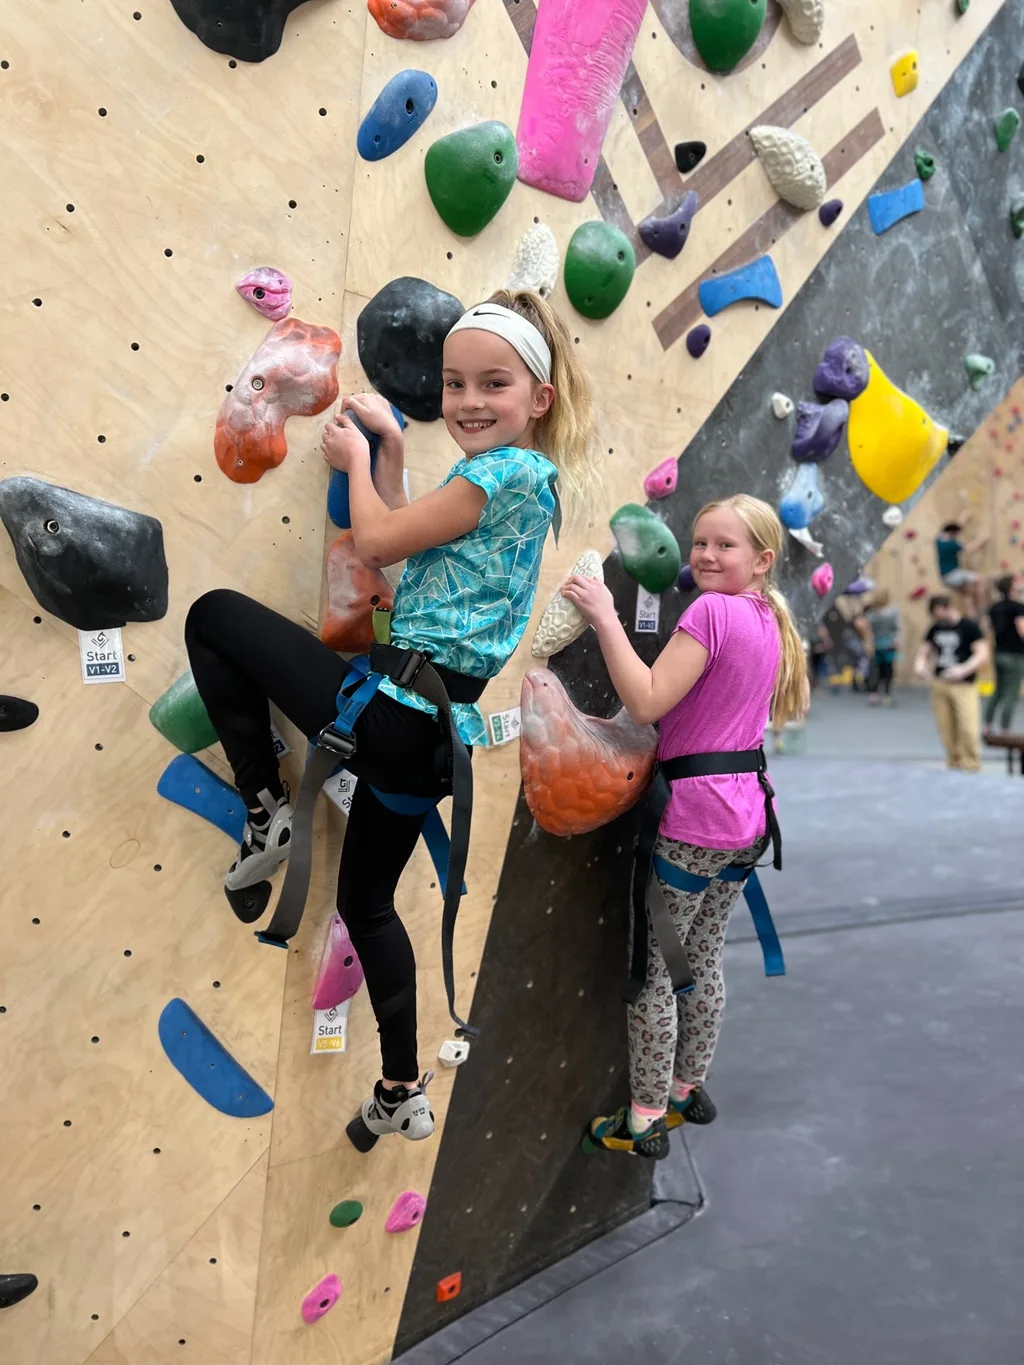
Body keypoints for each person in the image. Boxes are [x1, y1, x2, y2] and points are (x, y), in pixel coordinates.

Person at [185, 290, 596, 1148]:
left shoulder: (496, 472)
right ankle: (401, 1085)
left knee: (213, 616)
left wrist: (351, 465)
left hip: (397, 718)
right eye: (454, 383)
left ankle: (264, 807)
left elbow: (377, 545)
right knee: (367, 904)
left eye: (493, 384)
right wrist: (397, 449)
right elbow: (421, 545)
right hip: (428, 748)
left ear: (539, 400)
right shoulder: (528, 485)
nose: (470, 400)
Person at [562, 495, 808, 1159]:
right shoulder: (768, 617)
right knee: (699, 955)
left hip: (695, 822)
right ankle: (685, 1085)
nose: (703, 555)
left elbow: (645, 698)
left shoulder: (713, 611)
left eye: (723, 546)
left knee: (655, 966)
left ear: (761, 559)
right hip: (747, 815)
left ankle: (643, 1117)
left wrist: (604, 615)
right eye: (699, 542)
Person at [914, 594, 989, 771]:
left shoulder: (969, 627)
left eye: (939, 615)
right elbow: (925, 651)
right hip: (941, 683)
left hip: (963, 685)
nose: (938, 619)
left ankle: (972, 764)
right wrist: (920, 666)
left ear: (948, 609)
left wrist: (964, 669)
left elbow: (982, 653)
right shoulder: (935, 628)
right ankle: (954, 763)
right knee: (947, 729)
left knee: (968, 728)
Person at [984, 574, 1024, 736]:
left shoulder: (995, 607)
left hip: (999, 653)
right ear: (1011, 588)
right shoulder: (1018, 607)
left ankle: (987, 726)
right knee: (1012, 693)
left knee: (998, 690)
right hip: (1015, 655)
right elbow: (1022, 630)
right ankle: (1004, 730)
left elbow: (988, 629)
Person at [934, 513, 988, 619]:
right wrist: (982, 540)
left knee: (967, 594)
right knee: (981, 579)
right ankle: (984, 610)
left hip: (945, 578)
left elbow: (956, 528)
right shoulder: (952, 544)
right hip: (953, 575)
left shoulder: (939, 539)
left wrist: (963, 516)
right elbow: (969, 549)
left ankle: (974, 619)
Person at [862, 589, 901, 705]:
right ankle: (887, 695)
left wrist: (867, 643)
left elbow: (868, 630)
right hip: (889, 644)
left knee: (876, 670)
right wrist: (897, 640)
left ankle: (874, 694)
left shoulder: (871, 614)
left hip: (877, 645)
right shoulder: (893, 613)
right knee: (888, 670)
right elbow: (898, 628)